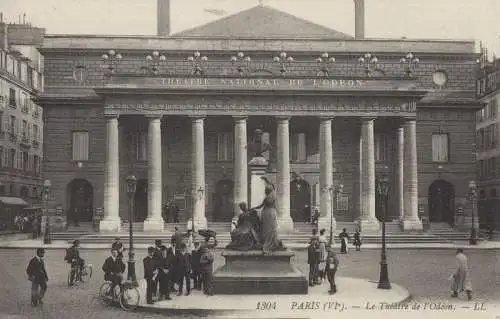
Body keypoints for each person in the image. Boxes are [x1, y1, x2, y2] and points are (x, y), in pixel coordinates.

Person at [250, 178, 284, 253]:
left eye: (265, 190)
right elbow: (273, 186)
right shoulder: (274, 195)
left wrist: (252, 208)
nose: (265, 192)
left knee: (266, 229)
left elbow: (260, 206)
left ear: (267, 191)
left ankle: (266, 242)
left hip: (266, 213)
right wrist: (267, 180)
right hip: (271, 213)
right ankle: (272, 243)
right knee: (271, 229)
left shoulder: (268, 197)